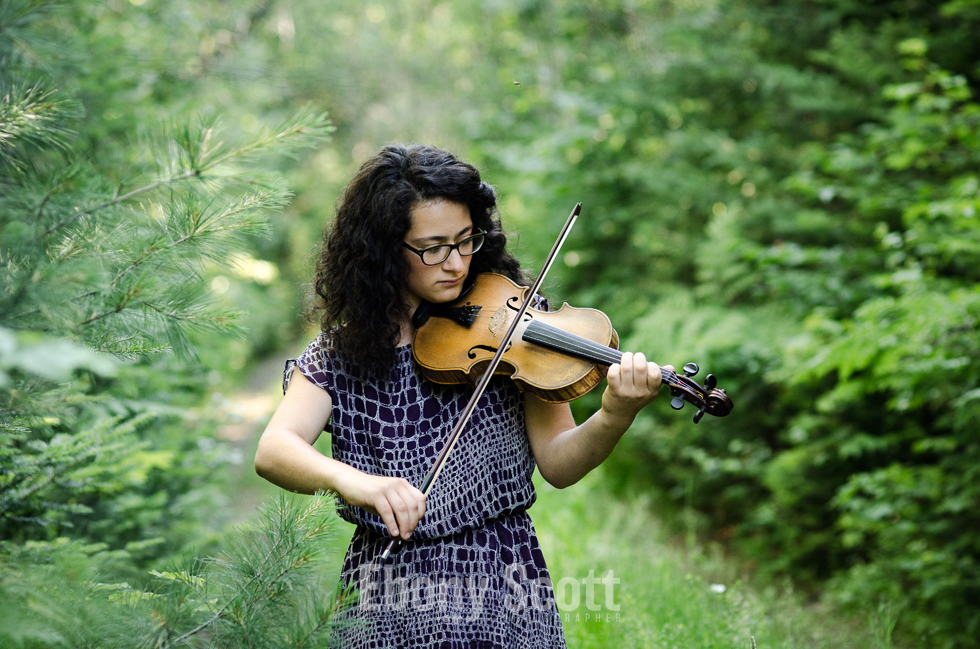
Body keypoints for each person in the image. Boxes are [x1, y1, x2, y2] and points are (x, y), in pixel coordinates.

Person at [254, 144, 668, 648]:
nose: (455, 263)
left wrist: (615, 413)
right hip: (390, 594)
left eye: (466, 240)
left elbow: (560, 464)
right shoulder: (343, 352)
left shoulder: (516, 327)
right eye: (432, 248)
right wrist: (356, 483)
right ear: (385, 250)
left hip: (503, 580)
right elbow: (275, 450)